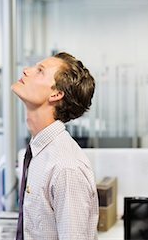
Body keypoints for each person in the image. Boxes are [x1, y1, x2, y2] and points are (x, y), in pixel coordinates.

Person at [11, 52, 99, 240]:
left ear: (56, 94)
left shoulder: (66, 168)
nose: (26, 71)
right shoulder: (40, 151)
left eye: (40, 71)